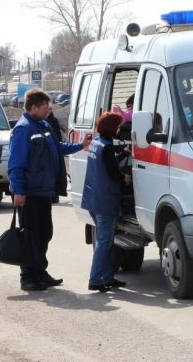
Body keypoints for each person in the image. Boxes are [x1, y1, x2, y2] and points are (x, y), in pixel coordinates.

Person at [7, 88, 92, 291]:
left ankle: (39, 271)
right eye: (46, 106)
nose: (49, 109)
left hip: (44, 191)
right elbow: (16, 164)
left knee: (44, 233)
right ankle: (28, 276)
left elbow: (57, 147)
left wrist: (81, 145)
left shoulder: (42, 125)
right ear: (34, 107)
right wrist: (19, 191)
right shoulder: (23, 129)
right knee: (31, 235)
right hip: (30, 193)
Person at [81, 111, 131, 292]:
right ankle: (95, 279)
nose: (120, 129)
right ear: (112, 128)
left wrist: (124, 152)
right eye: (118, 126)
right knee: (104, 241)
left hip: (93, 199)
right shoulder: (107, 147)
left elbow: (107, 164)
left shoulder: (97, 143)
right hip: (105, 201)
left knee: (108, 241)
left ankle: (108, 276)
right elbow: (113, 172)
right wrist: (124, 177)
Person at [45, 105, 64, 204]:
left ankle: (54, 196)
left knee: (54, 174)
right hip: (49, 150)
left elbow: (57, 137)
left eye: (48, 109)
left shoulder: (53, 121)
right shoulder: (44, 121)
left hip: (54, 149)